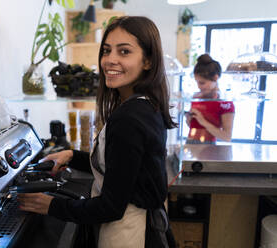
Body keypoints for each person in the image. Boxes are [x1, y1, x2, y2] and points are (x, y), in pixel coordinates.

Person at [17, 16, 177, 248]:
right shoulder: (144, 105)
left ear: (148, 61)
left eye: (124, 52)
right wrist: (72, 156)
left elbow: (111, 207)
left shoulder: (129, 118)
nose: (110, 60)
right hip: (143, 225)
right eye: (106, 51)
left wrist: (49, 205)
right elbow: (122, 168)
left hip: (131, 233)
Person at [185, 54, 235, 144]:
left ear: (215, 78)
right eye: (196, 82)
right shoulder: (196, 97)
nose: (199, 86)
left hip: (208, 149)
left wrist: (203, 121)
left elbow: (227, 137)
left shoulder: (225, 103)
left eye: (202, 83)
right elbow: (192, 126)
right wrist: (188, 118)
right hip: (189, 144)